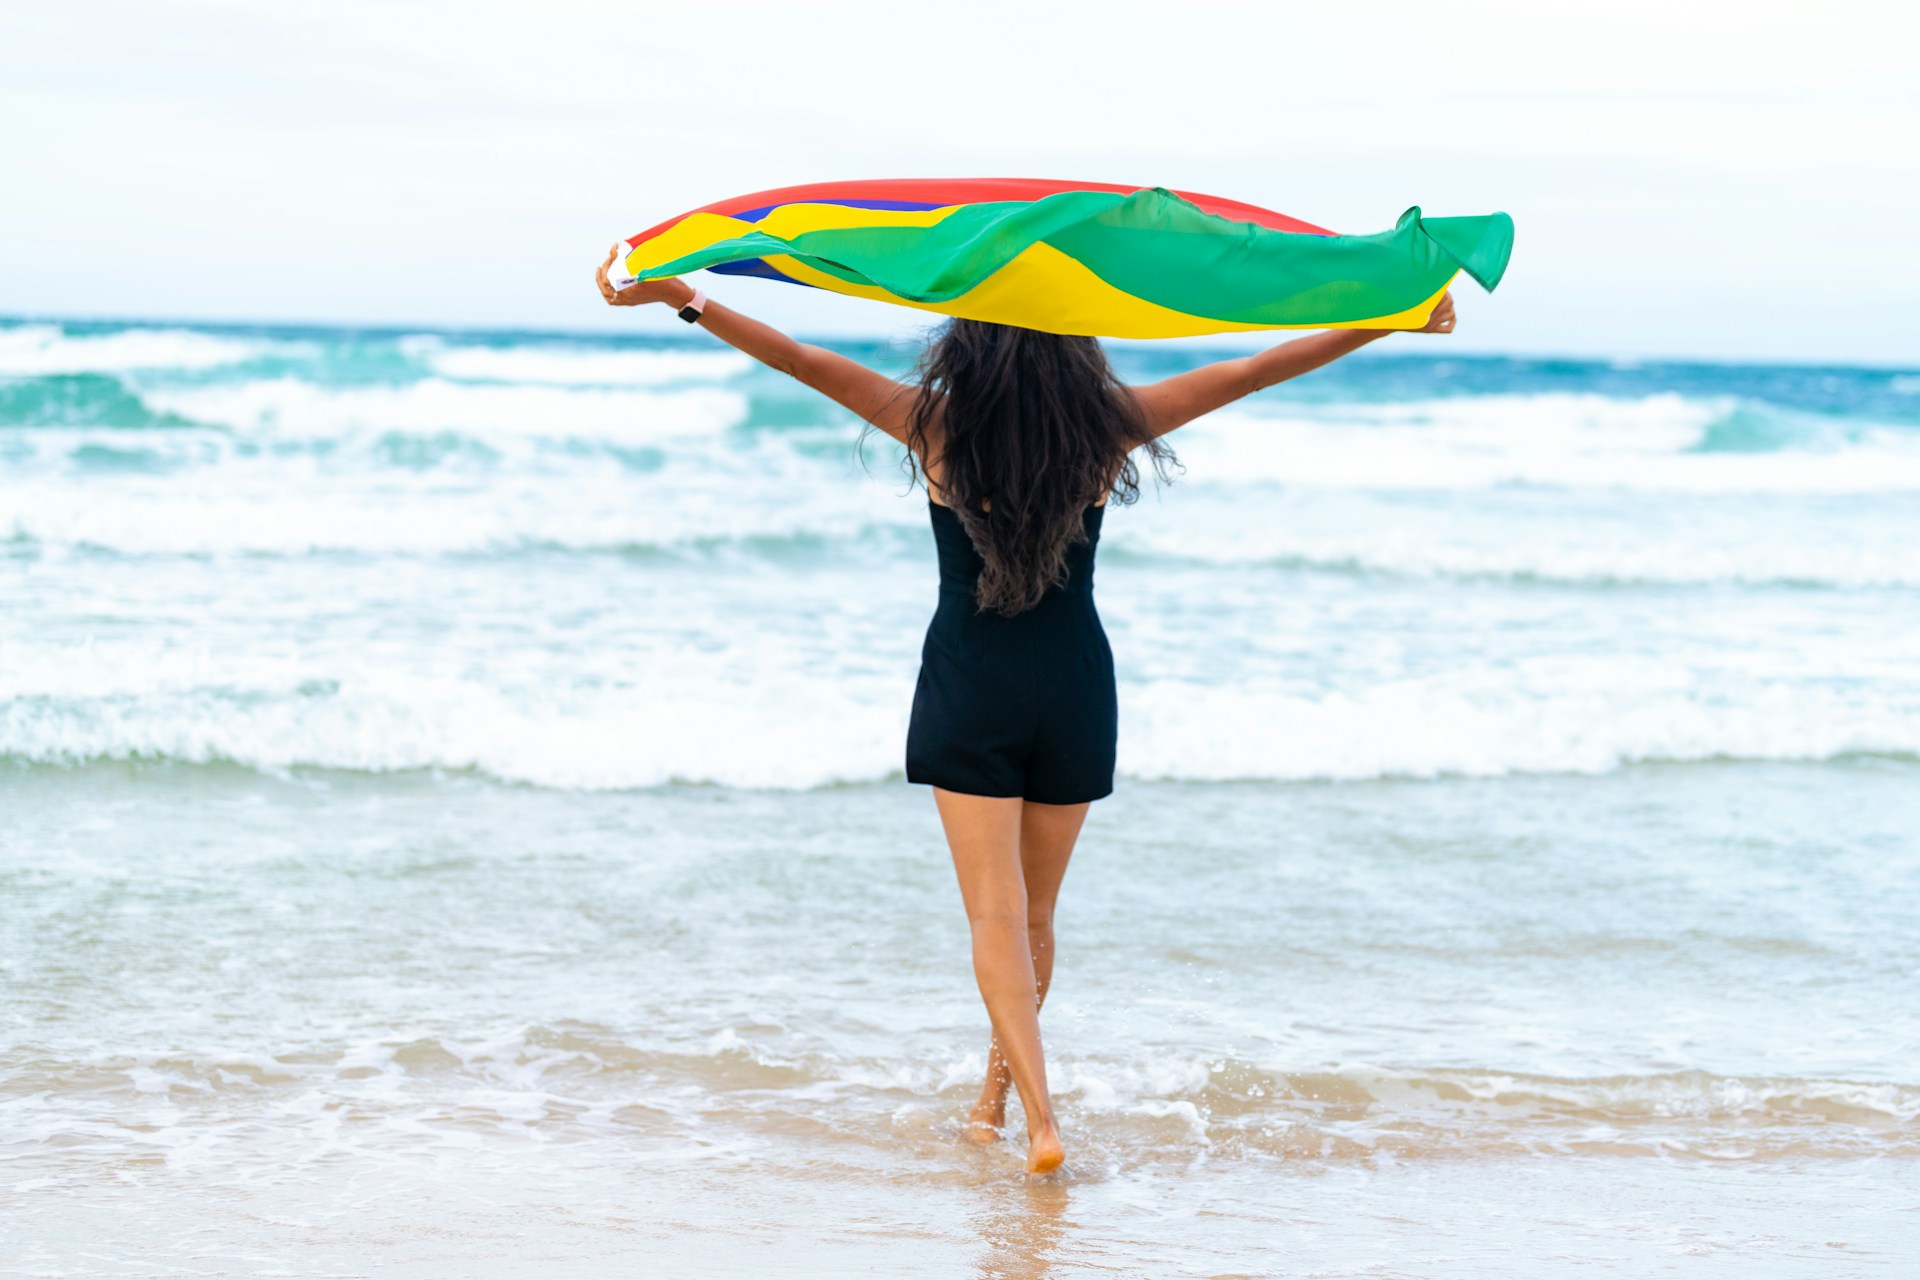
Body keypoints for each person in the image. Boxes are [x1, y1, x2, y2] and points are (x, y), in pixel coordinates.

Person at [595, 250, 1456, 1174]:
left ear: (970, 337)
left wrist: (684, 297)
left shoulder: (931, 421)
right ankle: (993, 1102)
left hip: (971, 683)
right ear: (1072, 341)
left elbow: (798, 359)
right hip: (1075, 686)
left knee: (994, 920)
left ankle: (1040, 1120)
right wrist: (1388, 320)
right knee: (1038, 918)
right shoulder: (1111, 423)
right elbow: (1255, 368)